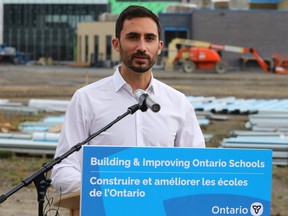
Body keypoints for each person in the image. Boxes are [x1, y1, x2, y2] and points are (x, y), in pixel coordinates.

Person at [51, 5, 205, 194]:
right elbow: (62, 170)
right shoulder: (86, 99)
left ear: (159, 47)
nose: (142, 47)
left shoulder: (178, 103)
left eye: (149, 38)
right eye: (133, 37)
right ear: (116, 44)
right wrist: (108, 191)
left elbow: (196, 170)